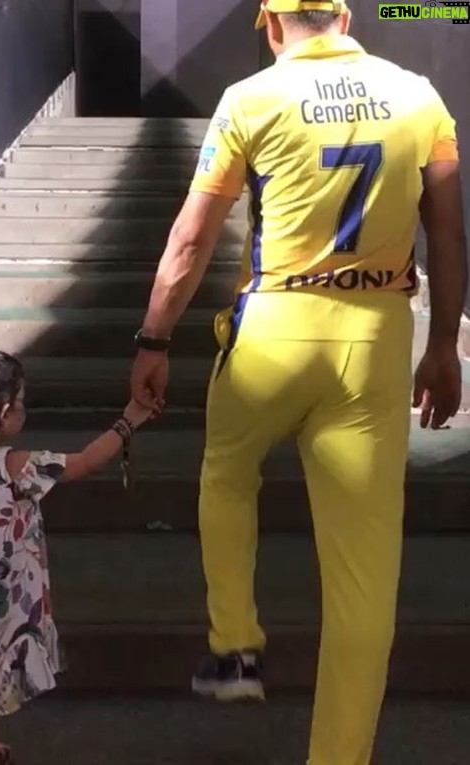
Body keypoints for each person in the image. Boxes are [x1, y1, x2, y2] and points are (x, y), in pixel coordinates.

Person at [129, 1, 467, 763]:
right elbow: (447, 230)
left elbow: (192, 236)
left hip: (273, 329)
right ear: (345, 16)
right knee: (364, 581)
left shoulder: (250, 99)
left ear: (274, 26)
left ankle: (236, 643)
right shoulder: (422, 98)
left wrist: (153, 336)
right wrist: (442, 341)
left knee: (225, 468)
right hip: (376, 337)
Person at [0, 348, 157, 765]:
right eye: (21, 400)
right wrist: (130, 419)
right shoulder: (14, 467)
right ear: (4, 414)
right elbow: (87, 461)